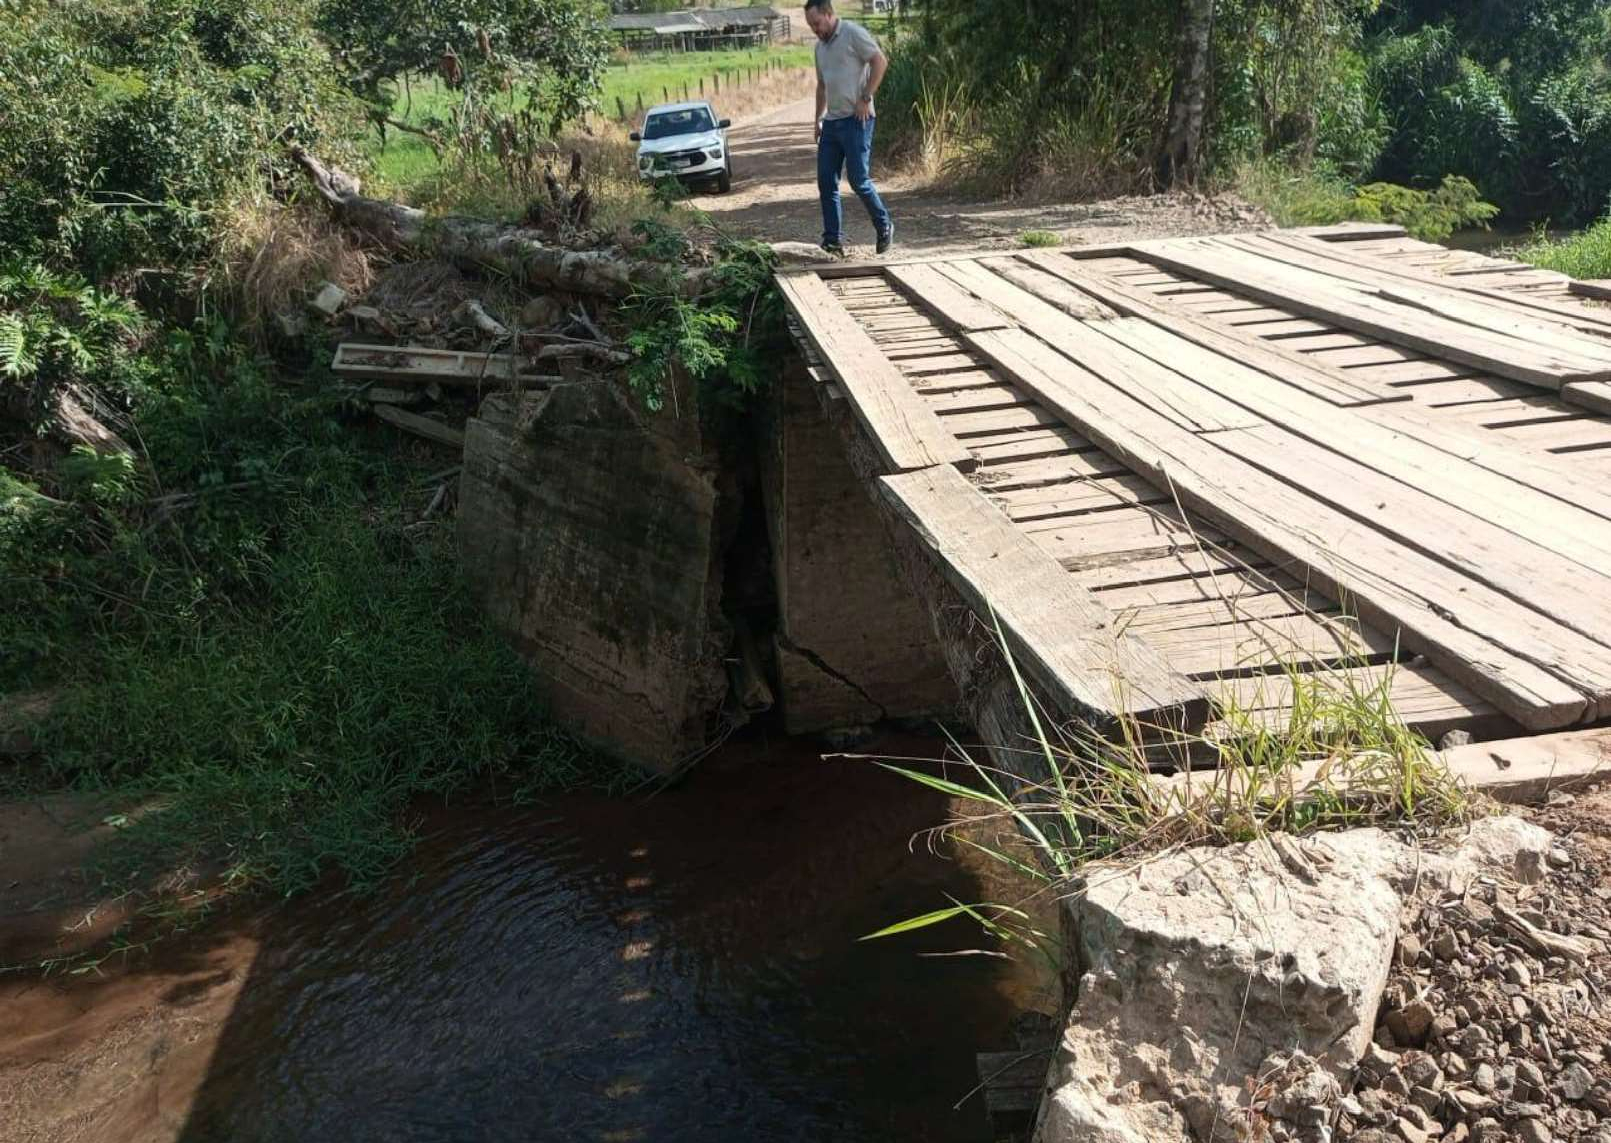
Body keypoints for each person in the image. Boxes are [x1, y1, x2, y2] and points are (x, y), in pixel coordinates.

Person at [804, 0, 893, 255]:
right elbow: (822, 86)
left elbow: (880, 61)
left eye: (817, 23)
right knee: (826, 181)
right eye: (811, 26)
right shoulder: (819, 48)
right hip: (831, 123)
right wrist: (817, 120)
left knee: (858, 180)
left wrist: (866, 98)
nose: (815, 30)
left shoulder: (853, 34)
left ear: (829, 14)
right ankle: (833, 240)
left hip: (857, 120)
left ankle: (884, 224)